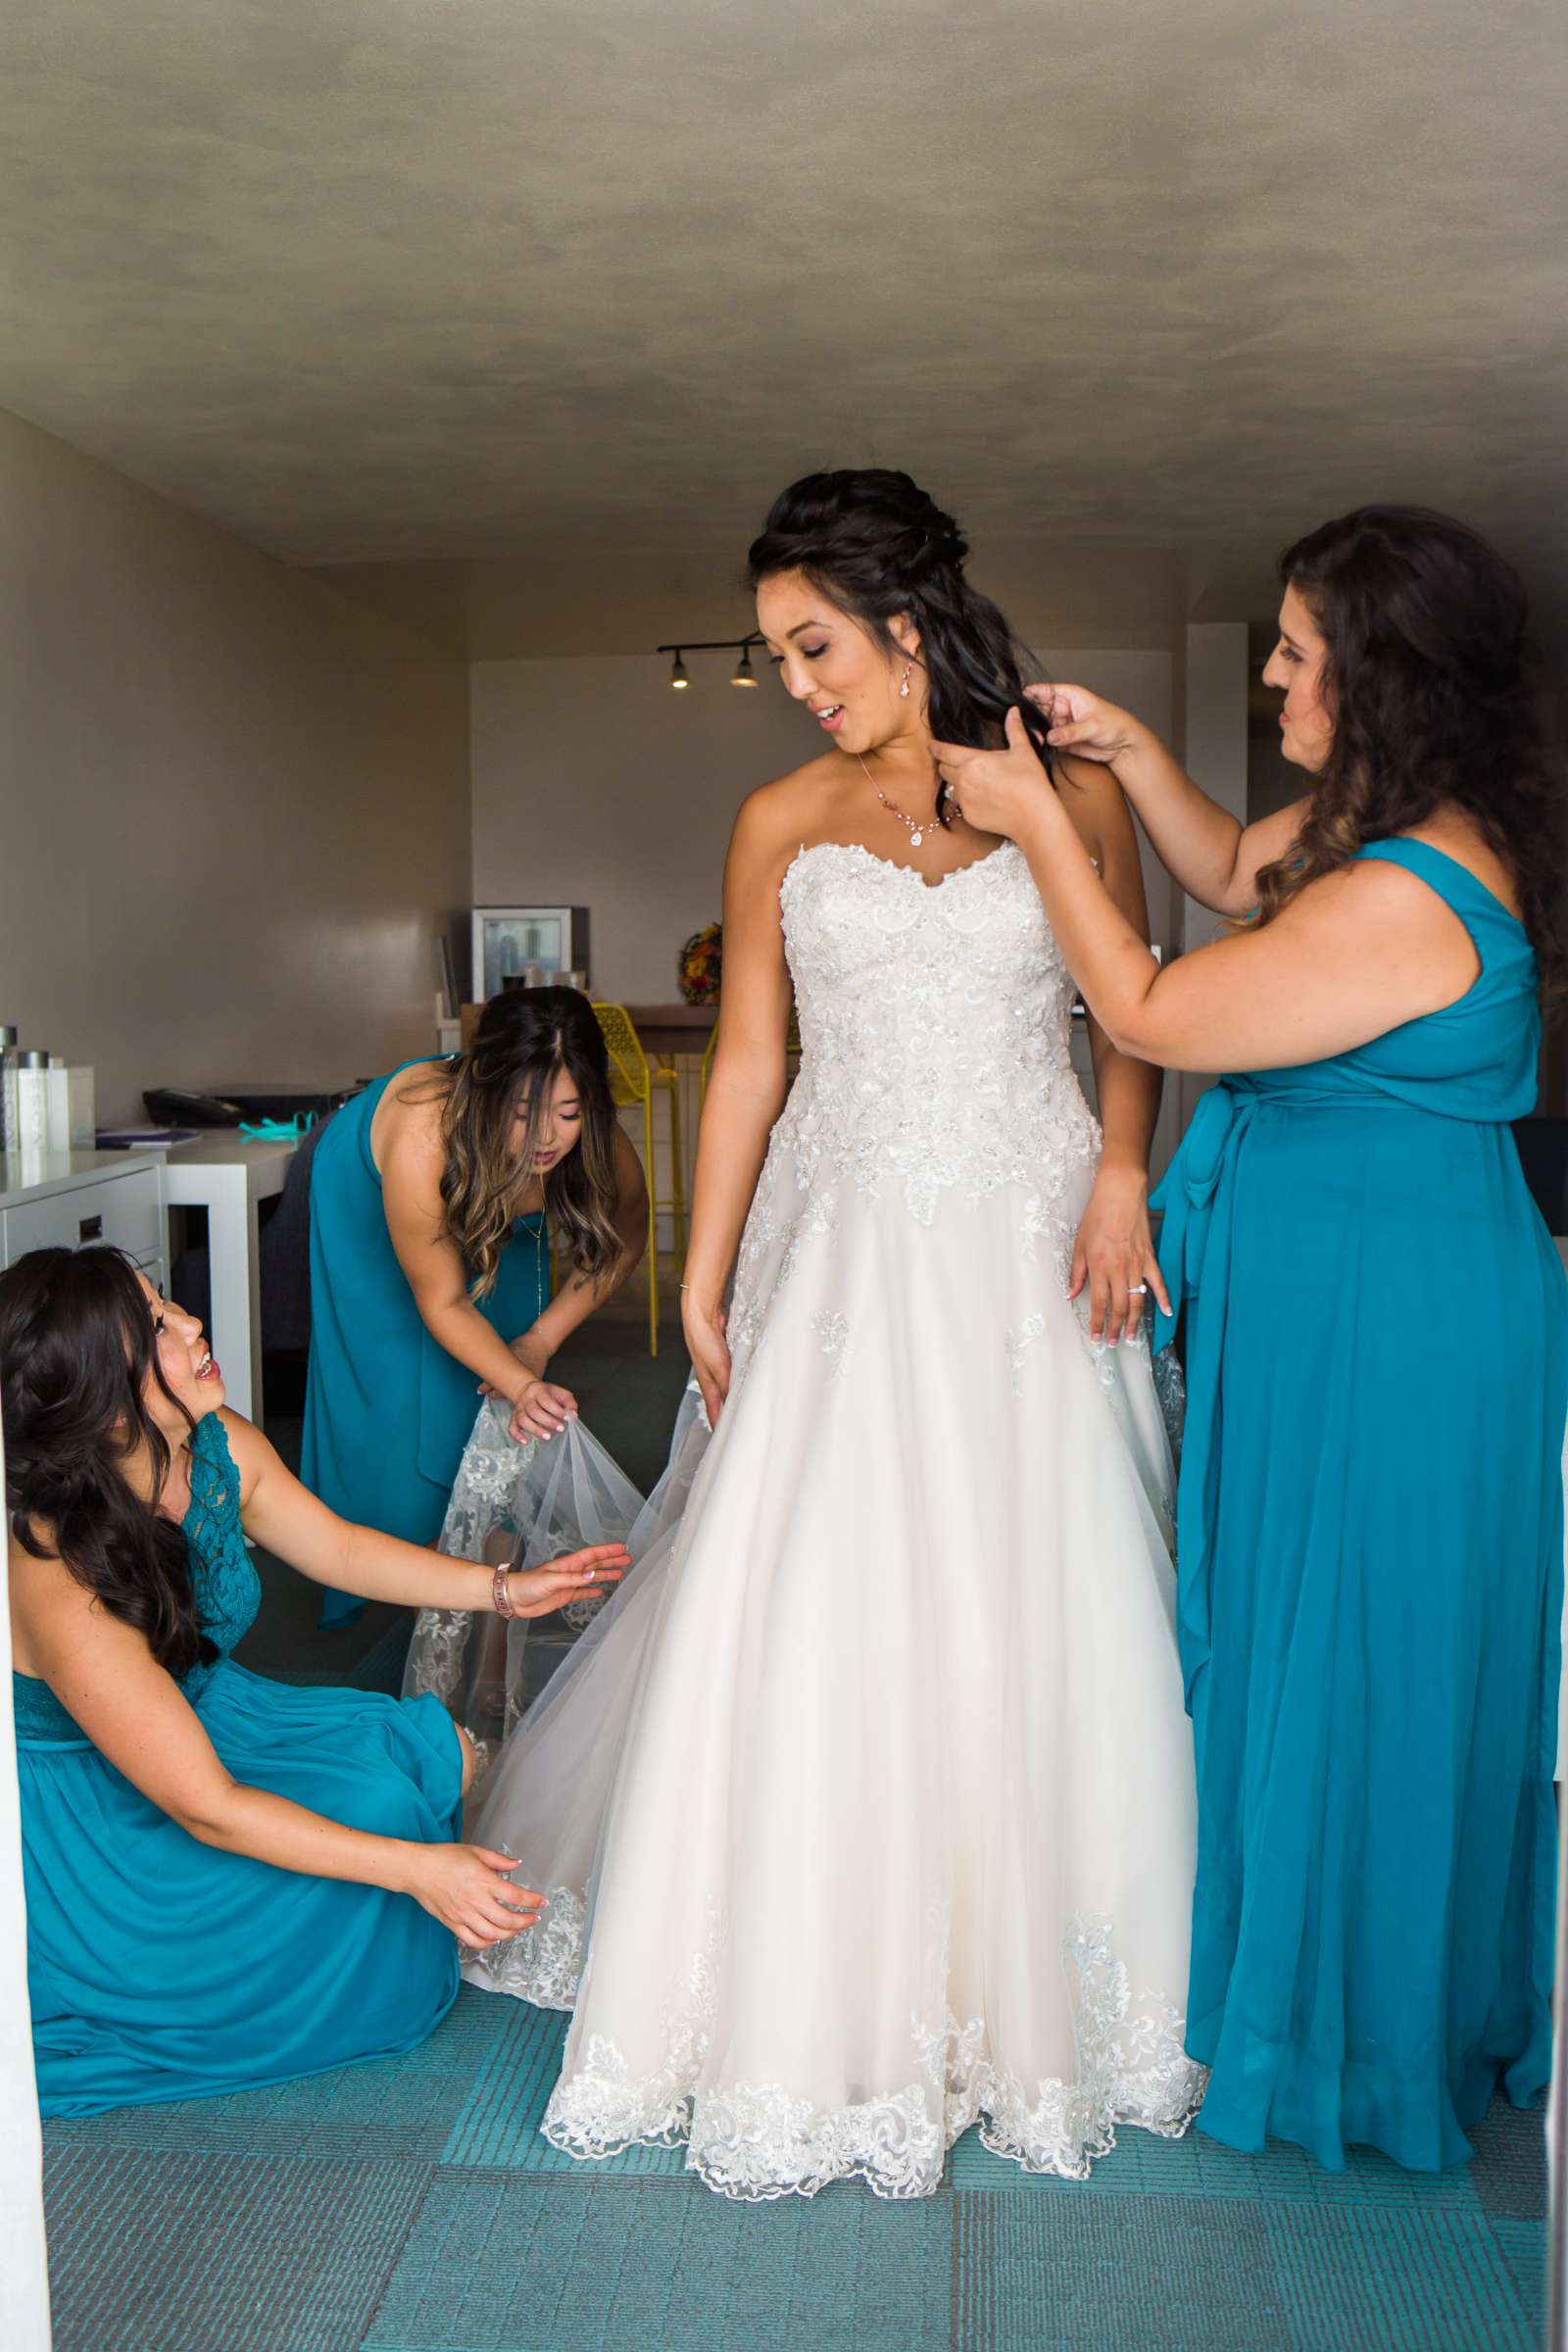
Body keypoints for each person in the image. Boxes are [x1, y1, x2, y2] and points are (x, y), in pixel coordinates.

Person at [462, 468, 1204, 2201]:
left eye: (813, 644)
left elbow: (1134, 1007)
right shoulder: (781, 816)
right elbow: (749, 1066)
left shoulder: (1065, 784)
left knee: (1052, 1584)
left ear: (905, 616)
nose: (797, 681)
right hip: (848, 1239)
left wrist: (1121, 1176)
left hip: (1032, 1234)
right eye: (777, 653)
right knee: (814, 1591)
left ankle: (1059, 1982)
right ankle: (804, 1975)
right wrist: (705, 1272)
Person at [932, 504, 1568, 2173]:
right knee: (1321, 1640)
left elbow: (1147, 1010)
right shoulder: (1388, 823)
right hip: (1359, 1296)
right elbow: (1229, 868)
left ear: (1376, 681)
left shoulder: (1406, 898)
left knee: (1362, 1656)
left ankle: (1347, 2048)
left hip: (1395, 1332)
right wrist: (1131, 759)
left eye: (1297, 653)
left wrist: (1033, 825)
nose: (1276, 672)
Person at [5, 1245, 627, 2117]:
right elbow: (204, 1805)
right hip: (106, 1806)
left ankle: (368, 1902)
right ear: (98, 1398)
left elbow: (335, 1547)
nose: (192, 1325)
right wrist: (416, 1871)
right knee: (390, 1832)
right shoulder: (57, 1566)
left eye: (170, 1305)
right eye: (155, 1328)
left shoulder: (214, 1444)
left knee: (425, 1757)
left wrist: (506, 1592)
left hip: (208, 1713)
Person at [302, 985, 647, 1625]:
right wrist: (518, 1380)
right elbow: (444, 1300)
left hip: (480, 1194)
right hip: (374, 1195)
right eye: (524, 1113)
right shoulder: (425, 1137)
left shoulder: (587, 1137)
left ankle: (489, 1567)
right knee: (404, 1379)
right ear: (488, 1090)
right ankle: (405, 1571)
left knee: (498, 1370)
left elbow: (628, 1228)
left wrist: (538, 1344)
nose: (547, 1137)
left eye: (568, 1113)